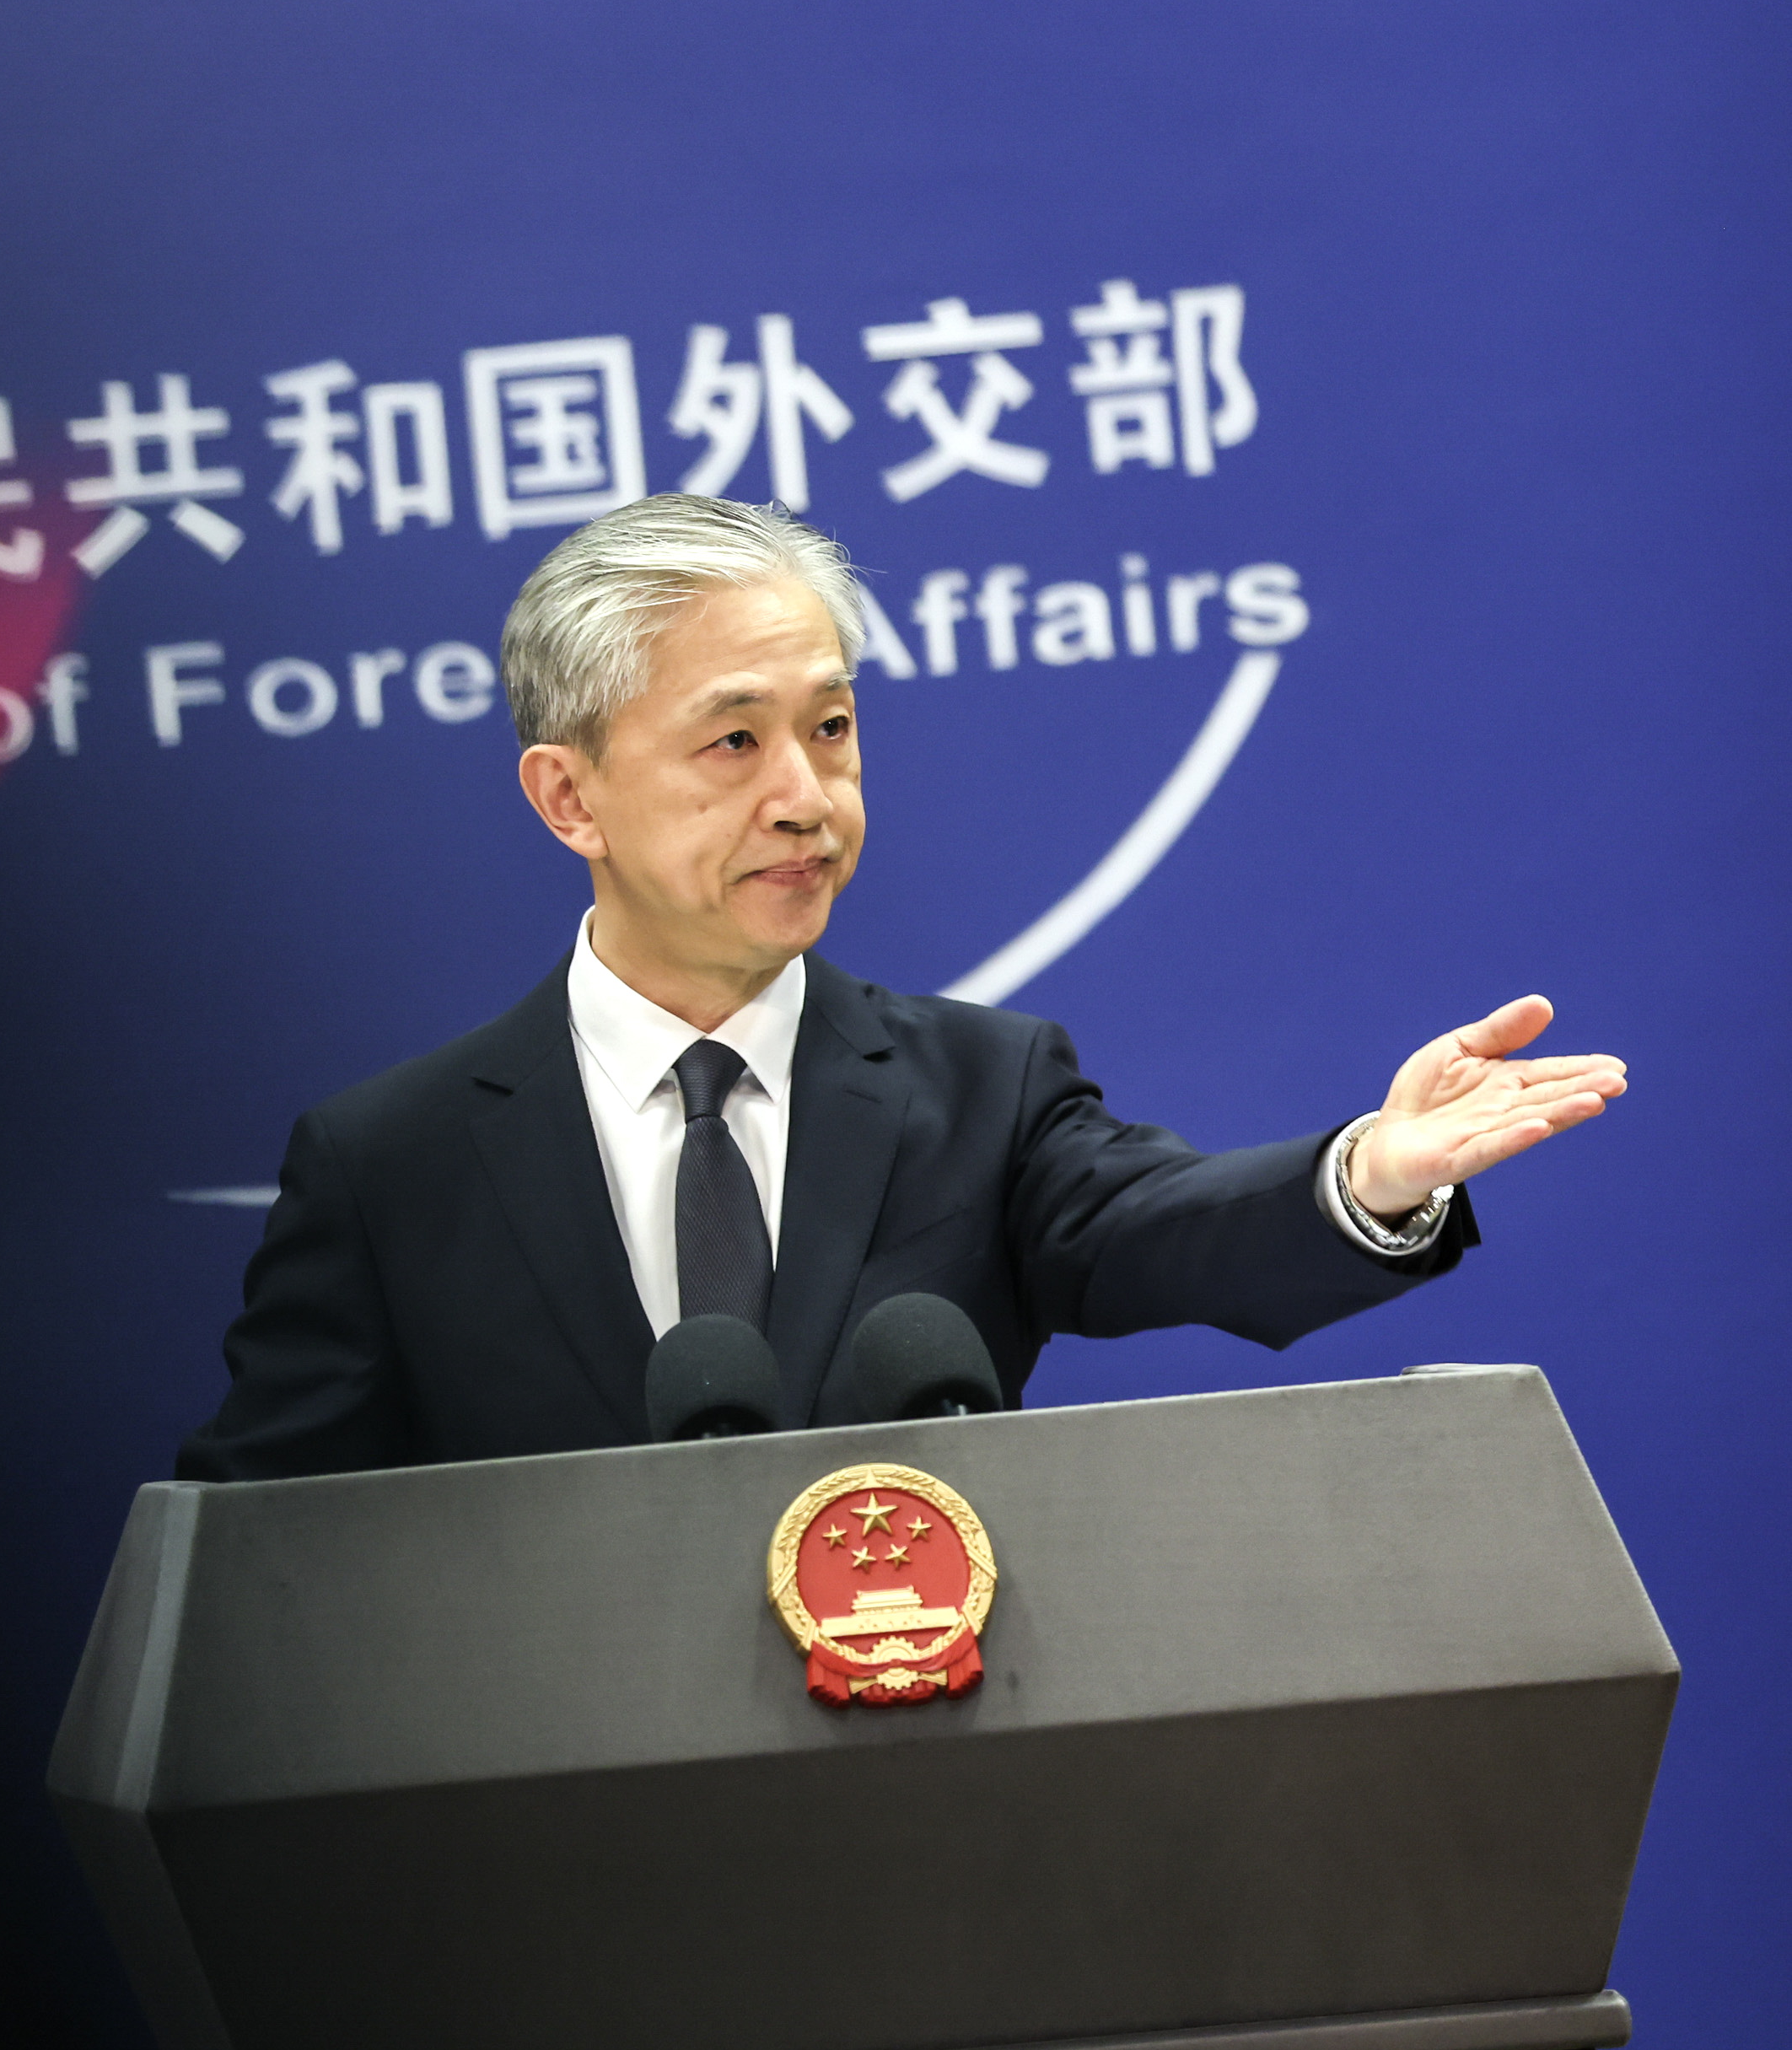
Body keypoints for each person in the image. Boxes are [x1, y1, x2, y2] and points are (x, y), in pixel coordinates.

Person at [178, 495, 1626, 1482]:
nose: (807, 797)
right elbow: (261, 1572)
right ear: (570, 797)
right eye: (732, 743)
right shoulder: (392, 1165)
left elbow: (1159, 1230)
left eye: (831, 726)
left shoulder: (978, 1093)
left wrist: (1367, 1173)